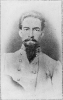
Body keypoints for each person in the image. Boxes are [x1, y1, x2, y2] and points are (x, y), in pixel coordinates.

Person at [1, 11, 62, 99]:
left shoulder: (54, 66)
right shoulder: (4, 60)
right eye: (26, 29)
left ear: (42, 34)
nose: (31, 35)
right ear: (20, 33)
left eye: (36, 29)